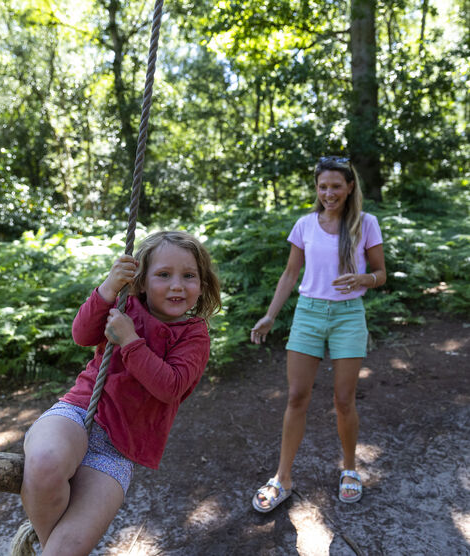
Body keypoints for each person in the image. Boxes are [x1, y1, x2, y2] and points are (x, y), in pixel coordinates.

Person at [21, 231, 221, 555]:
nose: (177, 285)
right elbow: (82, 334)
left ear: (202, 283)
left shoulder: (193, 335)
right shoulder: (124, 304)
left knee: (65, 549)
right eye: (163, 275)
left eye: (189, 276)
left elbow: (170, 387)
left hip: (120, 449)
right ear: (141, 281)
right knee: (45, 462)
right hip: (79, 413)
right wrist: (107, 289)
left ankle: (49, 548)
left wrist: (130, 342)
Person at [250, 156, 386, 511]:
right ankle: (283, 477)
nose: (329, 193)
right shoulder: (305, 224)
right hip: (309, 314)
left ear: (350, 186)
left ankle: (350, 468)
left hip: (348, 315)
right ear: (316, 188)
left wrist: (364, 279)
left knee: (344, 400)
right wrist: (270, 316)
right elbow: (290, 274)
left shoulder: (366, 223)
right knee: (296, 396)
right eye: (322, 186)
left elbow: (381, 273)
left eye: (336, 186)